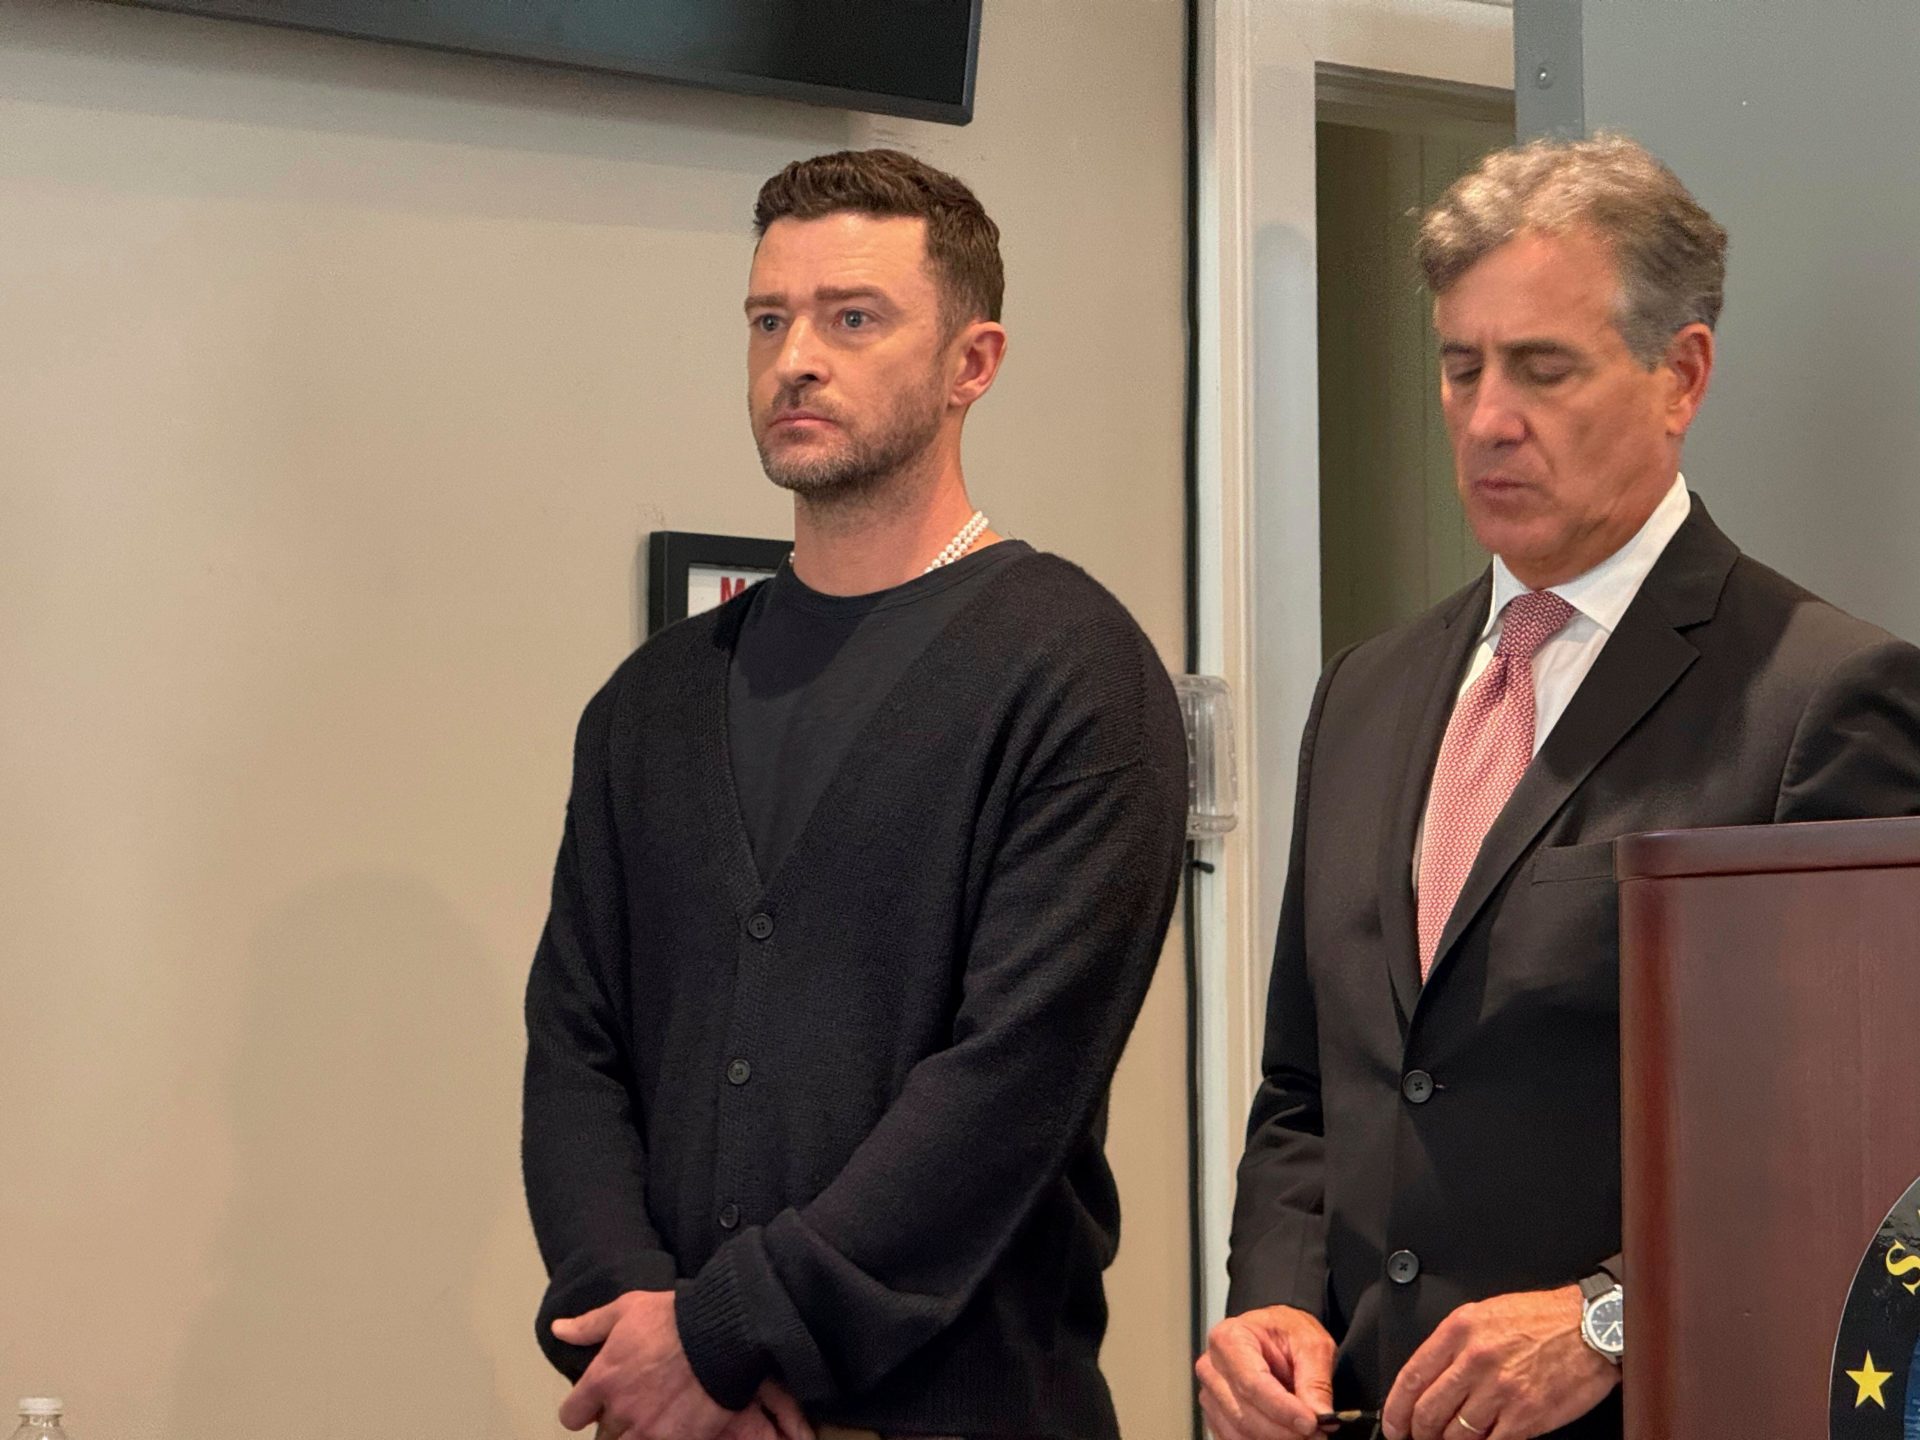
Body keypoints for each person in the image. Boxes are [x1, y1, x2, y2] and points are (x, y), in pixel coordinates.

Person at [1200, 134, 1920, 1440]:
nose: (1486, 418)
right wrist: (1272, 1304)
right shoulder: (1363, 696)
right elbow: (1310, 1093)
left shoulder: (1826, 693)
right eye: (1461, 366)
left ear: (1678, 376)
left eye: (1542, 369)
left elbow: (1869, 1162)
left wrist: (1610, 1316)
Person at [522, 148, 1189, 1440]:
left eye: (852, 318)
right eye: (769, 319)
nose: (795, 358)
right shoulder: (649, 707)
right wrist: (637, 1328)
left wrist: (725, 1342)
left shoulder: (1075, 676)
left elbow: (1004, 1091)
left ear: (971, 365)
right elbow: (576, 1048)